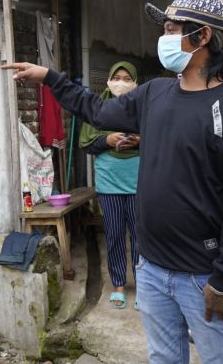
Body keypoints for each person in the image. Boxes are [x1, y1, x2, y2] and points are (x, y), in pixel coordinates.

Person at [4, 0, 223, 364]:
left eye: (173, 29)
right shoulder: (155, 94)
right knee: (163, 358)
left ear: (203, 36)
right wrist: (51, 78)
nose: (164, 38)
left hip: (204, 276)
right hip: (151, 269)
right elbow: (98, 111)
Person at [79, 61, 140, 310]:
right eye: (117, 77)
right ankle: (118, 285)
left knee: (140, 237)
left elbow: (161, 139)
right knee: (114, 235)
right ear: (108, 80)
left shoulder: (141, 108)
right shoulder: (98, 109)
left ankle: (143, 287)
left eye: (127, 78)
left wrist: (139, 139)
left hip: (138, 182)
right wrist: (107, 139)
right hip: (109, 183)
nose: (121, 83)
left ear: (135, 83)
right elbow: (86, 143)